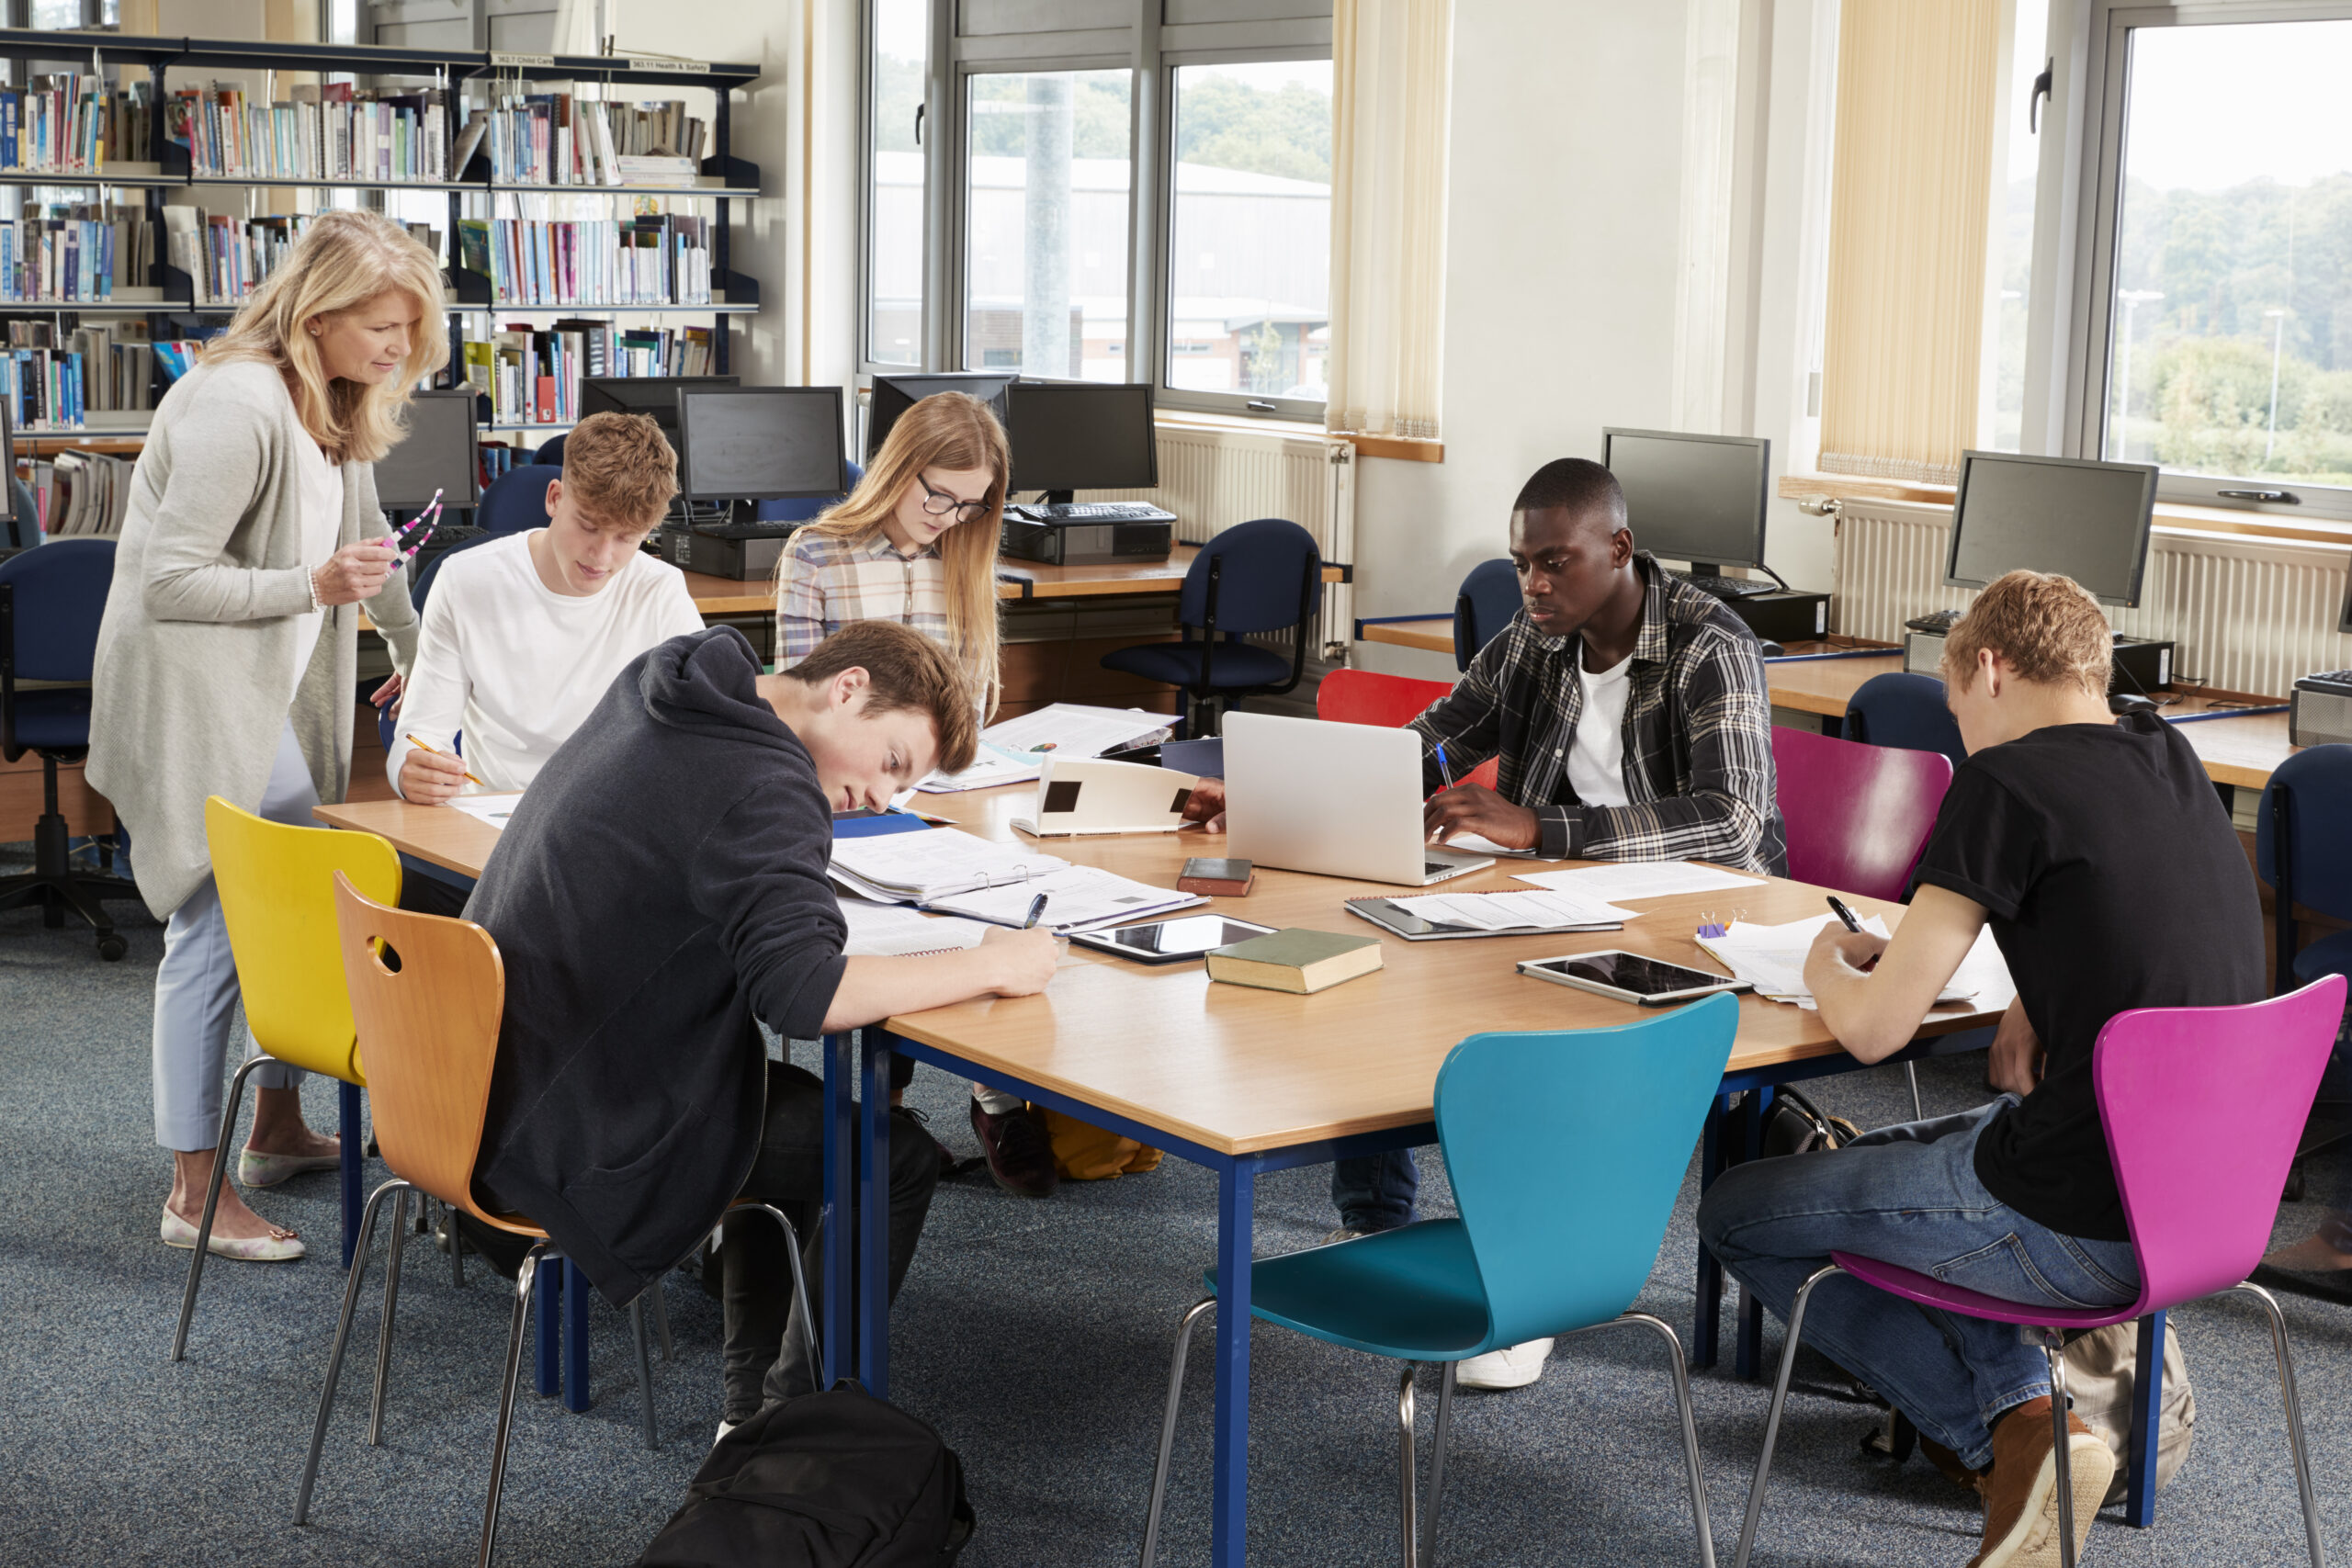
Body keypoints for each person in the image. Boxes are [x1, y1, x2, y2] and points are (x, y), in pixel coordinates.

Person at [1696, 570, 2263, 1568]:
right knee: (1902, 1173)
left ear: (1989, 669)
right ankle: (2029, 1426)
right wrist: (2032, 998)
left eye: (1956, 702)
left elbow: (1873, 1033)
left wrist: (1829, 959)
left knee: (1744, 1211)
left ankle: (2017, 1432)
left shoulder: (2005, 785)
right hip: (2206, 1210)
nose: (1959, 726)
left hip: (2075, 1216)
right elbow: (2133, 922)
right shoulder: (2165, 752)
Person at [1184, 456, 1783, 1387]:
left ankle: (1527, 1286)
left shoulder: (1713, 644)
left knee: (1526, 1040)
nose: (1534, 585)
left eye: (1554, 562)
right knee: (1372, 948)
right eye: (1520, 565)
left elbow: (1733, 821)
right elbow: (1436, 740)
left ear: (1618, 549)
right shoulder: (1536, 634)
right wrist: (1267, 793)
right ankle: (1376, 1217)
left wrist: (1545, 826)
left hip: (1695, 912)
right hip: (1555, 897)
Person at [463, 619, 1060, 1436]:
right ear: (847, 687)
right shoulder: (764, 782)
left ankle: (751, 1419)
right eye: (890, 762)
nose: (882, 799)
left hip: (483, 1072)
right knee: (888, 1157)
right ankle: (787, 1425)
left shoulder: (676, 680)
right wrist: (993, 964)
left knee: (769, 1106)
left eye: (904, 785)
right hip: (573, 1125)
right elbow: (806, 994)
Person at [87, 209, 443, 1260]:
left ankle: (276, 1127)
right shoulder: (233, 405)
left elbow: (370, 550)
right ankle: (191, 1193)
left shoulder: (336, 402)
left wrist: (421, 657)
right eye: (380, 326)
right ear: (316, 313)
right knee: (213, 923)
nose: (395, 349)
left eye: (407, 332)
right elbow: (168, 579)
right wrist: (310, 586)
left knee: (302, 896)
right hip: (188, 688)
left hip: (264, 686)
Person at [773, 390, 1058, 1197]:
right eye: (938, 493)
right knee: (885, 922)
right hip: (852, 791)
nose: (949, 515)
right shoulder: (819, 553)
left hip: (947, 790)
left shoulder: (966, 557)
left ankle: (996, 1094)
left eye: (970, 504)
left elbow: (976, 704)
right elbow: (806, 705)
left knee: (1002, 895)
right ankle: (889, 1110)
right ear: (898, 468)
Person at [378, 410, 702, 912]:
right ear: (555, 499)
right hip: (494, 825)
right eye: (589, 526)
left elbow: (708, 735)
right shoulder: (467, 581)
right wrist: (409, 771)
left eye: (627, 538)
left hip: (610, 828)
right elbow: (418, 737)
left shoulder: (660, 592)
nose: (603, 556)